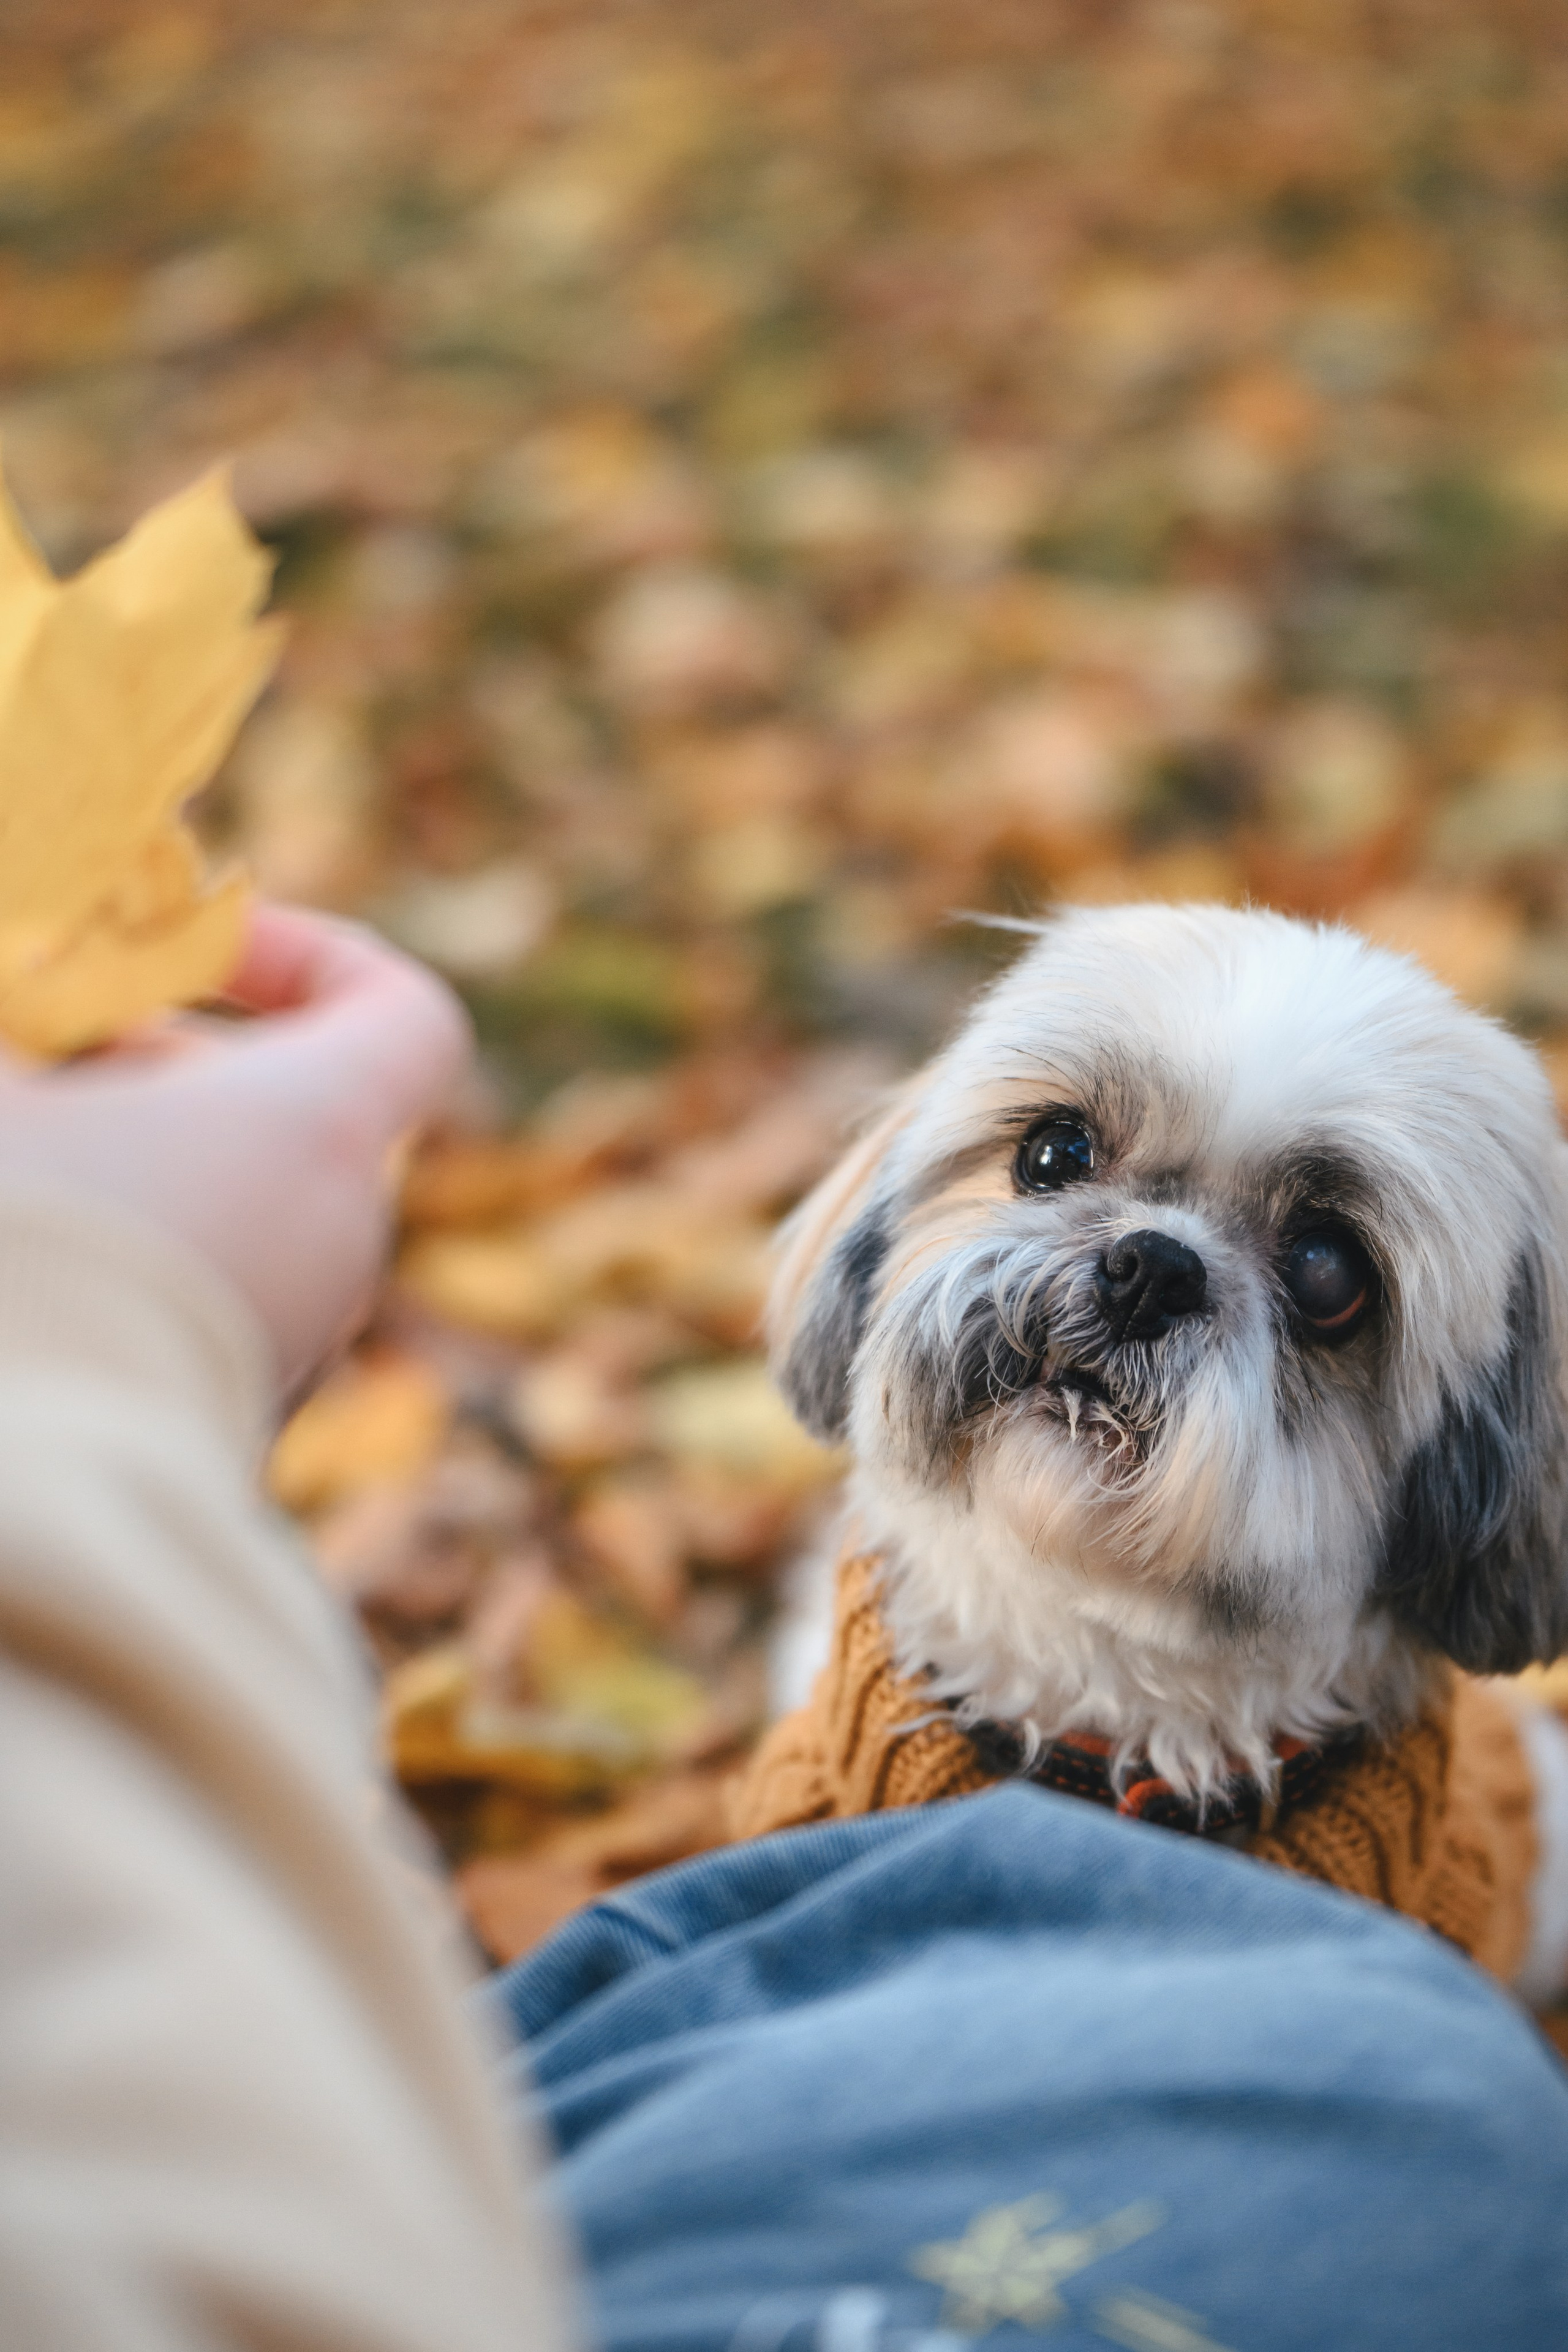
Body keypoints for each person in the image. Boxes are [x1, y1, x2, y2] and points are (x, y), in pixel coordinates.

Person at [5, 901, 1568, 2352]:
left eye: (1316, 1278)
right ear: (895, 1214)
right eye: (1051, 1160)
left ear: (1467, 1451)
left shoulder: (1418, 1910)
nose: (1134, 1269)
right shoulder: (818, 1802)